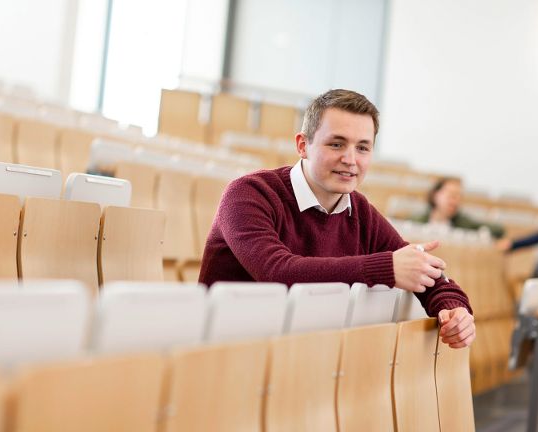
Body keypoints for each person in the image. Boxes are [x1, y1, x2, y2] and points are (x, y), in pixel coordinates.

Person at [199, 89, 475, 348]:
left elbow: (427, 276)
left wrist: (453, 309)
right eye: (336, 144)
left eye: (363, 148)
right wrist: (385, 269)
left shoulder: (360, 211)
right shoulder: (249, 194)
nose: (350, 159)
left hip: (303, 356)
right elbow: (277, 271)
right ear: (302, 145)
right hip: (230, 351)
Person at [413, 177, 505, 238]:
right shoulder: (416, 220)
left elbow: (498, 229)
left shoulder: (464, 222)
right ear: (436, 195)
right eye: (451, 195)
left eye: (458, 197)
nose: (455, 201)